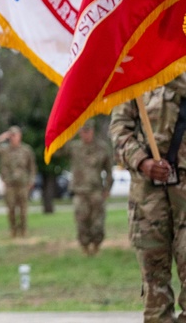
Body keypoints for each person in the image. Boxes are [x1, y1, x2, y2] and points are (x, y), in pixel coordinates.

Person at [110, 75, 186, 321]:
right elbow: (119, 130)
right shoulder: (134, 73)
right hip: (148, 197)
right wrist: (142, 161)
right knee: (155, 286)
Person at [68, 122, 113, 255]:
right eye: (83, 131)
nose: (86, 134)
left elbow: (109, 171)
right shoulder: (74, 147)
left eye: (88, 131)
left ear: (92, 131)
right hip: (79, 191)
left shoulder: (102, 148)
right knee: (81, 220)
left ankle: (96, 245)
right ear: (79, 132)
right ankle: (85, 246)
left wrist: (107, 188)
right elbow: (58, 150)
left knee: (97, 221)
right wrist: (70, 134)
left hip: (96, 191)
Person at [0, 126, 37, 237]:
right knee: (11, 209)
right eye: (11, 136)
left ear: (19, 136)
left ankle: (23, 230)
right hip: (10, 185)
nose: (13, 138)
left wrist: (31, 181)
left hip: (23, 184)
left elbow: (32, 167)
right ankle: (13, 230)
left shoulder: (26, 150)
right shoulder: (5, 150)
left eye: (15, 135)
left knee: (23, 210)